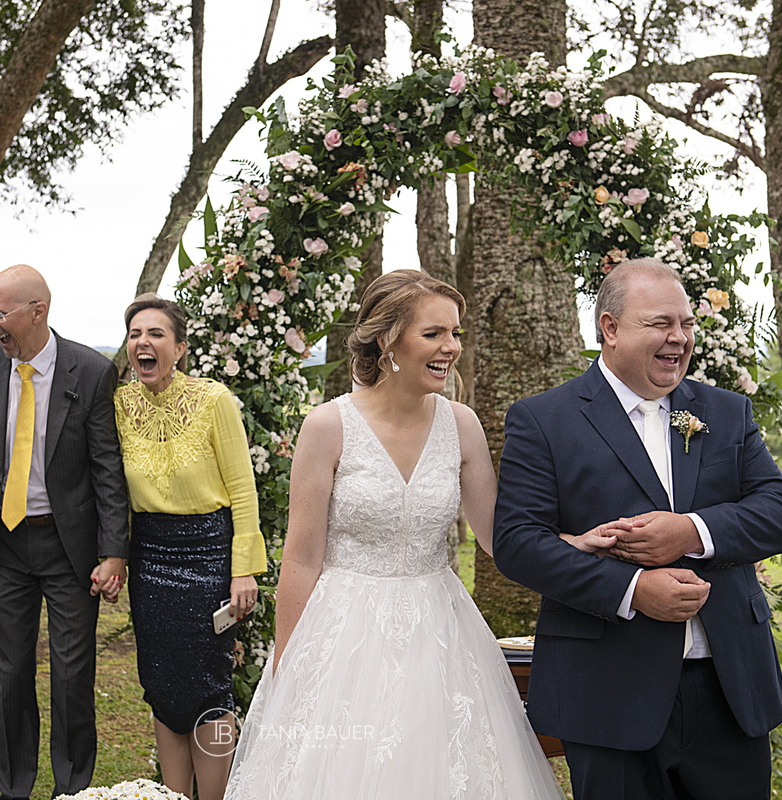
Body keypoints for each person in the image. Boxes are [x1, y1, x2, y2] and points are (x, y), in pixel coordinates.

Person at [225, 270, 589, 800]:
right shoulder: (328, 427)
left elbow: (497, 535)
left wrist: (576, 545)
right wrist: (289, 665)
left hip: (439, 631)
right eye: (435, 333)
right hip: (343, 631)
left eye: (456, 333)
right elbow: (301, 559)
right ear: (387, 338)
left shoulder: (461, 424)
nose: (451, 348)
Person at [492, 258, 782, 800]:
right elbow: (519, 543)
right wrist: (633, 590)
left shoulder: (726, 412)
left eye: (686, 323)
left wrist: (691, 531)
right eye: (661, 323)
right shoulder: (544, 420)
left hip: (730, 685)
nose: (679, 338)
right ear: (609, 328)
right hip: (608, 688)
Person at [0, 264, 129, 800]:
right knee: (11, 673)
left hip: (69, 547)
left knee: (73, 674)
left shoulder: (92, 371)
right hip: (4, 546)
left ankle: (72, 789)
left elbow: (107, 468)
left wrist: (114, 551)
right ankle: (15, 789)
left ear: (38, 311)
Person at [115, 294, 266, 800]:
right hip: (151, 560)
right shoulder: (119, 404)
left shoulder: (213, 400)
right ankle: (174, 797)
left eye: (156, 334)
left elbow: (244, 490)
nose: (143, 342)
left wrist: (242, 570)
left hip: (208, 556)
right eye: (136, 334)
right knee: (162, 689)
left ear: (179, 347)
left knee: (209, 690)